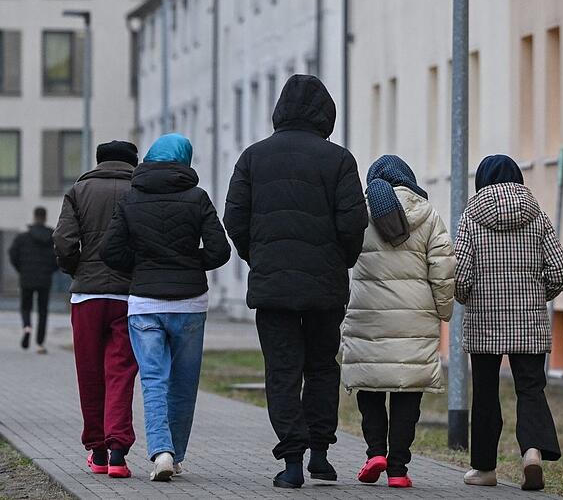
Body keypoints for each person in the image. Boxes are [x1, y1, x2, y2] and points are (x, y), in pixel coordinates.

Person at [223, 74, 368, 488]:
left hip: (273, 289)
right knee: (322, 367)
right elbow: (353, 221)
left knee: (282, 371)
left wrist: (260, 257)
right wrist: (341, 260)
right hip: (325, 287)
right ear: (326, 113)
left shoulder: (253, 158)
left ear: (280, 110)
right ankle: (320, 454)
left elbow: (235, 219)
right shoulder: (339, 160)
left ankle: (291, 463)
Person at [102, 133, 230, 482]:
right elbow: (220, 251)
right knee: (183, 384)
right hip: (190, 303)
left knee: (154, 381)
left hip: (144, 303)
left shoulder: (131, 199)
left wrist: (143, 266)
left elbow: (110, 252)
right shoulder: (198, 197)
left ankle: (161, 452)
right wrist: (190, 262)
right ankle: (177, 453)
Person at [454, 154, 563, 491]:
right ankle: (532, 452)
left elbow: (459, 276)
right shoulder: (537, 216)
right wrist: (538, 296)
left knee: (486, 392)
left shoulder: (470, 216)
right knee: (530, 388)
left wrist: (469, 299)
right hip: (529, 319)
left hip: (484, 320)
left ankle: (484, 468)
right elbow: (561, 270)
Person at [341, 155, 455, 488]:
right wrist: (443, 311)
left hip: (367, 316)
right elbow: (444, 267)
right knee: (408, 392)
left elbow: (342, 255)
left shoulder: (361, 215)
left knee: (370, 384)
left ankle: (375, 452)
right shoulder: (429, 215)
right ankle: (398, 469)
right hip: (415, 319)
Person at [53, 140, 141, 479]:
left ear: (99, 160)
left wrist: (75, 268)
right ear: (134, 161)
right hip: (128, 296)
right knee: (120, 373)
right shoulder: (140, 189)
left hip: (87, 296)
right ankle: (118, 452)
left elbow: (63, 240)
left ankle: (98, 453)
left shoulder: (78, 190)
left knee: (89, 374)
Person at [9, 206, 59, 354]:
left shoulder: (22, 238)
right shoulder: (52, 237)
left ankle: (27, 327)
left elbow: (13, 255)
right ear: (45, 217)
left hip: (26, 277)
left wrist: (21, 269)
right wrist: (51, 270)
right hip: (45, 278)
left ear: (34, 216)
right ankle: (40, 343)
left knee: (26, 306)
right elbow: (59, 256)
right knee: (43, 311)